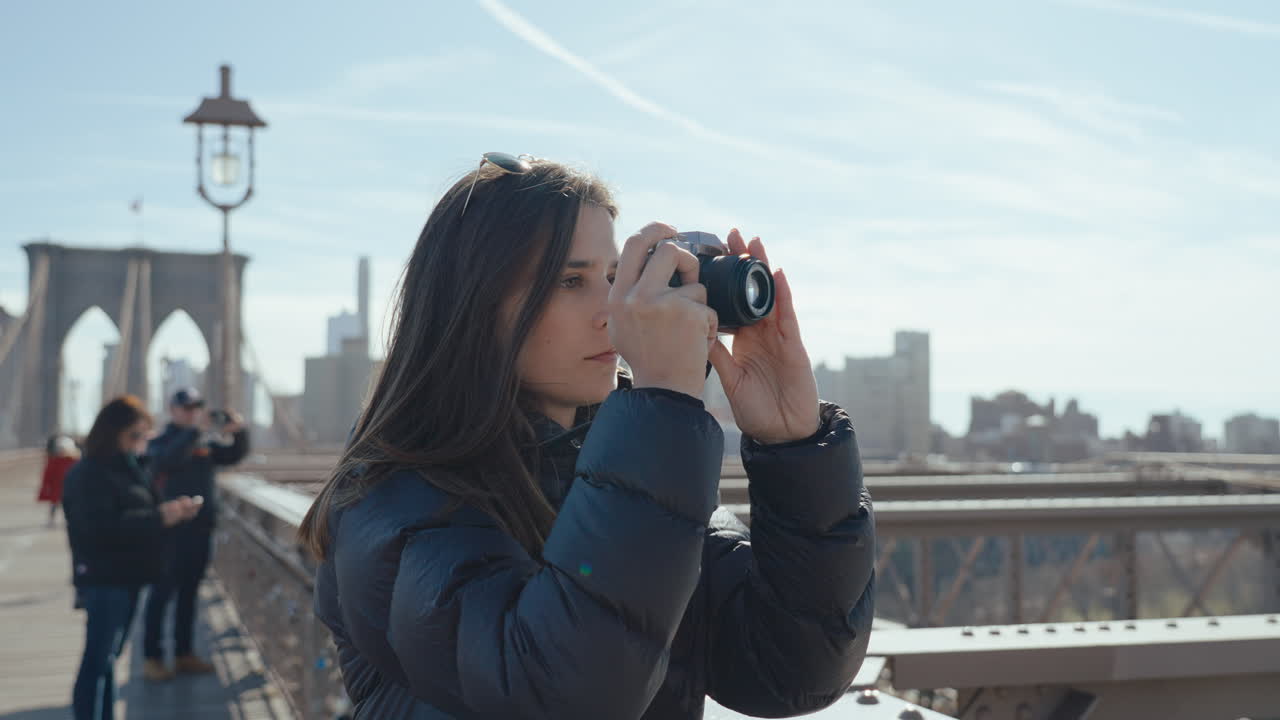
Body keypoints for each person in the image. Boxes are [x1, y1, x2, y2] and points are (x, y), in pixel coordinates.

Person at [298, 155, 876, 719]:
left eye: (613, 277)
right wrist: (661, 411)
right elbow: (559, 691)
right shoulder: (391, 498)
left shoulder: (629, 465)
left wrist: (795, 445)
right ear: (470, 304)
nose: (612, 312)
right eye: (571, 280)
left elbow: (789, 669)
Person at [62, 395, 201, 720]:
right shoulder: (89, 473)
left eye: (144, 436)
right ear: (114, 432)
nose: (141, 443)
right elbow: (98, 528)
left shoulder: (126, 467)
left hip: (127, 576)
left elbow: (136, 509)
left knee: (108, 662)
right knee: (97, 662)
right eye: (135, 435)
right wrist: (160, 517)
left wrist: (169, 511)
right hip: (104, 577)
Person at [140, 387, 249, 681]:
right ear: (172, 410)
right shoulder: (160, 441)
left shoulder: (204, 443)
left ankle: (184, 653)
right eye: (187, 408)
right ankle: (152, 657)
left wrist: (239, 432)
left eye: (196, 407)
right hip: (169, 531)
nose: (192, 412)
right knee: (161, 594)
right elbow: (167, 460)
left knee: (189, 594)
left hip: (200, 530)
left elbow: (232, 455)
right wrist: (194, 432)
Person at [38, 434, 79, 526]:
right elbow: (47, 475)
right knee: (58, 505)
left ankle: (66, 520)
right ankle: (53, 520)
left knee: (65, 506)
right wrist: (46, 486)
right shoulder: (59, 461)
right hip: (60, 488)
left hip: (64, 489)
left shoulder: (70, 461)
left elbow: (47, 475)